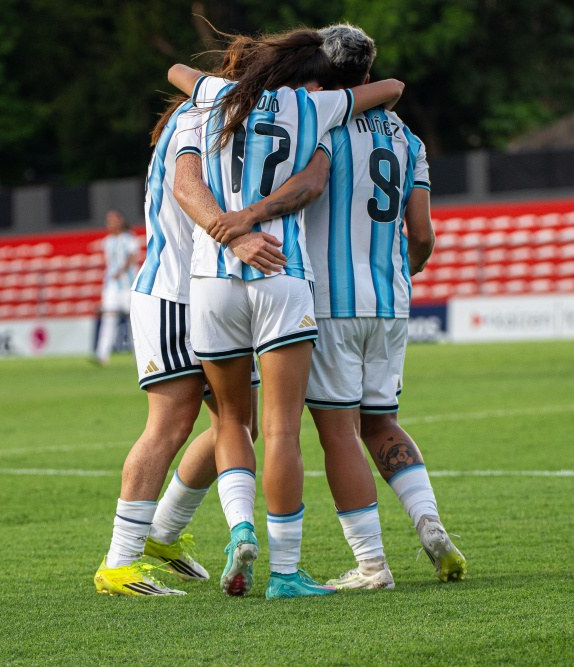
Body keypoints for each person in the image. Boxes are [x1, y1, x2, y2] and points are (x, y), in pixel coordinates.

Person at [209, 23, 465, 587]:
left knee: (339, 434)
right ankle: (429, 522)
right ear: (367, 74)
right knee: (384, 423)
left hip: (328, 302)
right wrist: (401, 274)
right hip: (390, 302)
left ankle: (372, 564)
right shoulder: (408, 139)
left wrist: (249, 217)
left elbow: (311, 186)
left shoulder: (319, 122)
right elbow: (420, 234)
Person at [170, 29, 405, 599]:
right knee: (281, 430)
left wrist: (226, 83)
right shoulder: (316, 104)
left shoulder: (217, 99)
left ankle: (240, 528)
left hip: (213, 278)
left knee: (229, 420)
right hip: (283, 273)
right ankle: (285, 574)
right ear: (312, 74)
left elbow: (178, 72)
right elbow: (392, 88)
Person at [93, 42, 279, 597]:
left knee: (238, 423)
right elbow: (188, 188)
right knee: (171, 422)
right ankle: (119, 563)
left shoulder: (221, 117)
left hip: (210, 293)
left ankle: (164, 536)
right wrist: (239, 234)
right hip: (173, 293)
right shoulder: (198, 119)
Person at [93, 210, 140, 366]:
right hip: (112, 287)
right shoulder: (107, 241)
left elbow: (132, 258)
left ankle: (139, 355)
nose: (110, 224)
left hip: (128, 285)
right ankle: (101, 355)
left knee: (133, 321)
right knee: (109, 318)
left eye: (113, 220)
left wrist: (121, 271)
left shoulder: (130, 238)